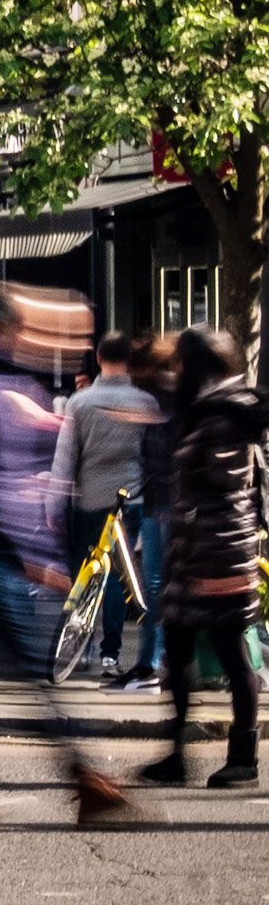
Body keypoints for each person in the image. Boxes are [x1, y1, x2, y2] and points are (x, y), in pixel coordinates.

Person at [0, 286, 144, 824]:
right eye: (22, 328)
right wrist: (19, 554)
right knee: (27, 669)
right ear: (4, 330)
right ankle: (83, 778)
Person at [138, 328, 263, 790]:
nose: (176, 372)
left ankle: (243, 760)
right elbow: (150, 380)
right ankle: (175, 754)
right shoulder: (202, 410)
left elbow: (227, 492)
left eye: (182, 363)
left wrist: (217, 568)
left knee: (232, 655)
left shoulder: (226, 416)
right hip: (191, 554)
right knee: (177, 653)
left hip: (219, 554)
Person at [50, 332, 158, 686]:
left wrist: (54, 504)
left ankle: (79, 646)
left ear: (98, 358)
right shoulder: (145, 402)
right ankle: (111, 652)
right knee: (115, 577)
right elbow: (150, 455)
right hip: (131, 501)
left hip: (89, 501)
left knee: (84, 571)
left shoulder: (80, 404)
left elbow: (65, 460)